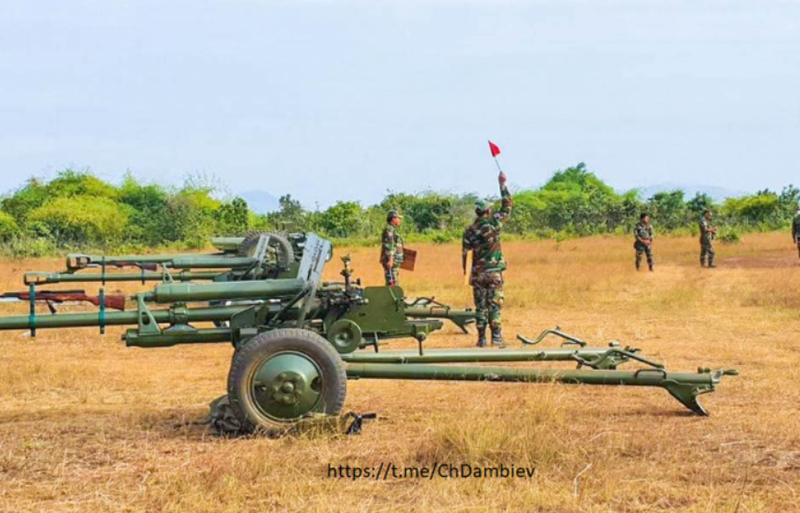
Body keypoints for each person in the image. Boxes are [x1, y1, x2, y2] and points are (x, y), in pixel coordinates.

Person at [462, 171, 513, 348]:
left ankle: (481, 338)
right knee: (494, 305)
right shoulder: (493, 225)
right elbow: (507, 207)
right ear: (488, 211)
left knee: (480, 307)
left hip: (477, 274)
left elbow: (465, 254)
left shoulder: (469, 230)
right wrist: (503, 184)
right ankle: (497, 337)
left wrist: (467, 274)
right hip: (493, 273)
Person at [380, 210, 404, 286]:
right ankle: (392, 297)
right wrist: (390, 259)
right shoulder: (389, 229)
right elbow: (389, 245)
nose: (399, 220)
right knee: (392, 281)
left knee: (393, 279)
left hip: (394, 260)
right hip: (391, 260)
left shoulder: (392, 229)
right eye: (398, 218)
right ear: (393, 219)